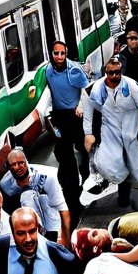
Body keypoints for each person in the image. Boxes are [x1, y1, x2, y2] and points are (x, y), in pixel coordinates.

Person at [84, 57, 138, 207]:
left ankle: (137, 200)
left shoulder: (131, 86)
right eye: (111, 73)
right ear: (106, 73)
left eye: (117, 72)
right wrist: (88, 133)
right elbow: (89, 109)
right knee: (112, 160)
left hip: (130, 123)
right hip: (109, 126)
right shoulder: (98, 88)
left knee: (134, 163)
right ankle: (110, 182)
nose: (114, 76)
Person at [44, 40, 91, 217]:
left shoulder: (74, 71)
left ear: (66, 53)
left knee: (84, 149)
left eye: (62, 53)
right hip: (60, 116)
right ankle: (71, 194)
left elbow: (86, 90)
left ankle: (88, 179)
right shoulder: (48, 71)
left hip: (75, 116)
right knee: (64, 154)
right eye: (56, 53)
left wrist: (80, 106)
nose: (59, 57)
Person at [0, 148, 72, 247]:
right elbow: (7, 217)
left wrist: (66, 242)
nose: (18, 167)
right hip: (25, 220)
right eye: (13, 164)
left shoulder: (47, 178)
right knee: (27, 196)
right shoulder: (5, 187)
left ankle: (51, 237)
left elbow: (63, 211)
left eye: (21, 163)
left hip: (50, 219)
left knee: (42, 198)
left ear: (26, 162)